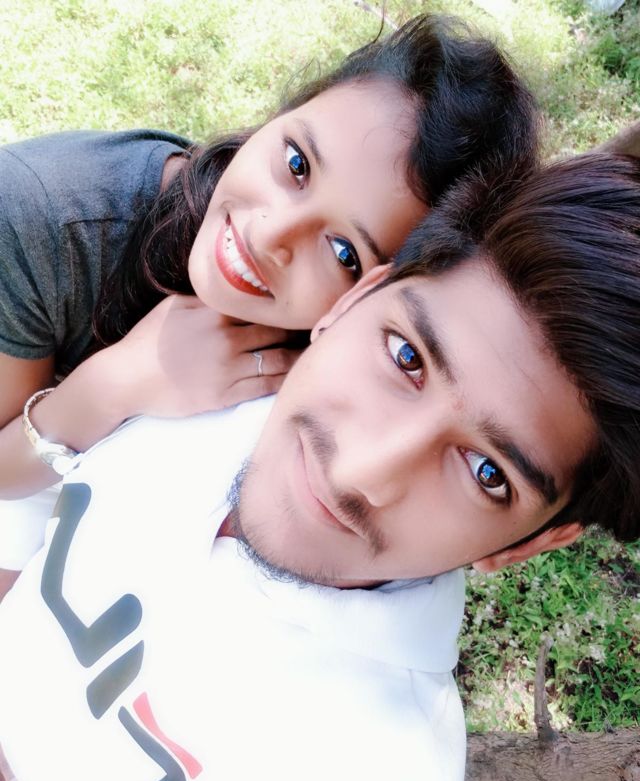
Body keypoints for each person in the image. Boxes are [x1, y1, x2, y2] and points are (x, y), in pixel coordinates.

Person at [1, 149, 639, 781]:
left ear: (529, 543)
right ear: (352, 301)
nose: (360, 471)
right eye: (406, 357)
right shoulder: (189, 364)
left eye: (488, 473)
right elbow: (50, 487)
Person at [0, 14, 539, 584]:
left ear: (379, 292)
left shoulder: (351, 369)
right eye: (297, 164)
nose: (271, 233)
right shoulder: (41, 219)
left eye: (344, 252)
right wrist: (116, 383)